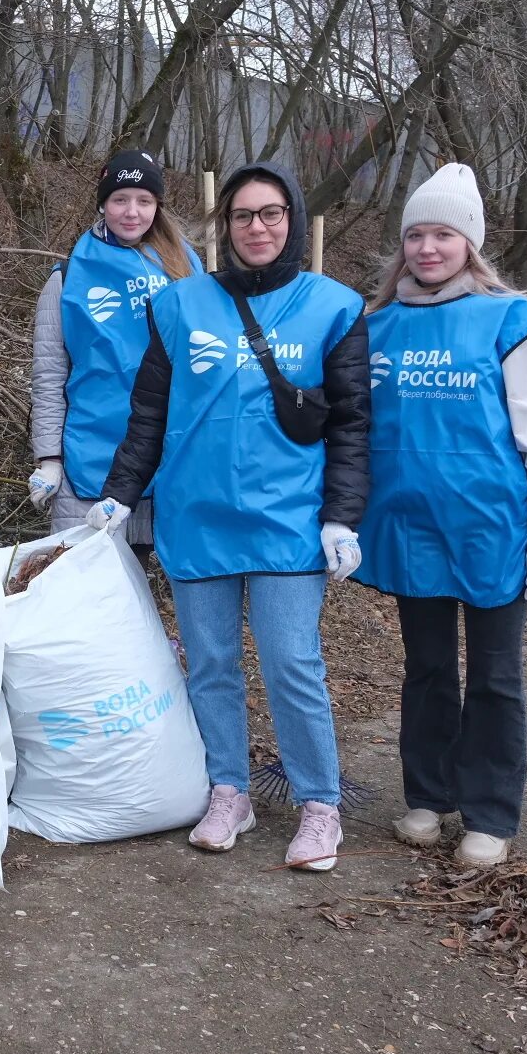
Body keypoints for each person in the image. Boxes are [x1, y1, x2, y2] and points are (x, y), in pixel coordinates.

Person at [89, 161, 370, 871]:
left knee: (290, 663)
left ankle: (319, 804)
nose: (257, 227)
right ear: (225, 226)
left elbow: (353, 426)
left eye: (271, 213)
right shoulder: (181, 306)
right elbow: (148, 411)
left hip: (287, 521)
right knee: (211, 665)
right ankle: (229, 789)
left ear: (294, 221)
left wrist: (342, 515)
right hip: (197, 516)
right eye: (244, 216)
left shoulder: (334, 307)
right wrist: (122, 491)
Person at [353, 164, 527, 868]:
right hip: (407, 523)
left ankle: (490, 811)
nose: (429, 248)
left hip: (493, 527)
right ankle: (428, 796)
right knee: (426, 668)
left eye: (444, 235)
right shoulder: (378, 326)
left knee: (493, 673)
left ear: (470, 244)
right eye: (417, 234)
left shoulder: (513, 321)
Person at [28, 150, 202, 553]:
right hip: (89, 457)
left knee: (139, 596)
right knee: (82, 589)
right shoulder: (69, 277)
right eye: (120, 199)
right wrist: (49, 458)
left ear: (158, 207)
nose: (132, 212)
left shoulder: (187, 270)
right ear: (102, 203)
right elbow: (50, 374)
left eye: (145, 200)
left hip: (166, 454)